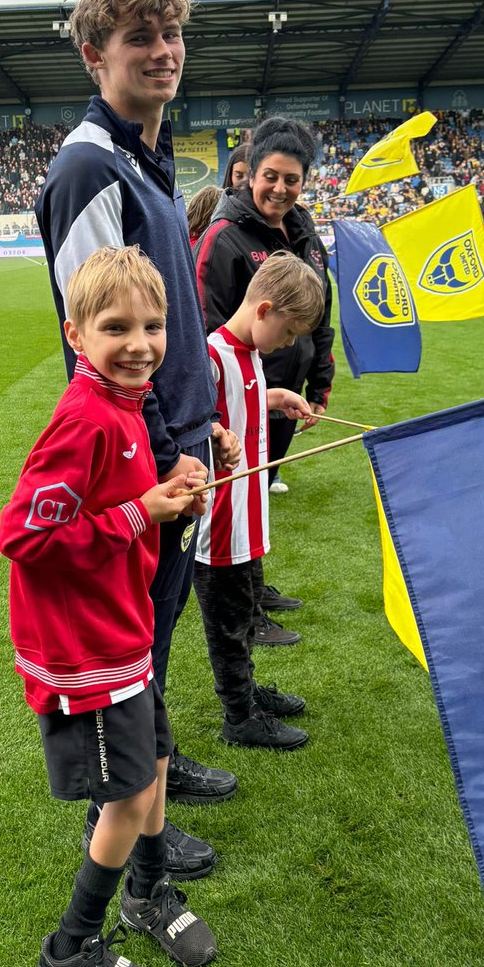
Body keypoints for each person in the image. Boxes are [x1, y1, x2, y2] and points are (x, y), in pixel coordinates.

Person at [34, 0, 240, 858]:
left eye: (171, 34)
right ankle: (117, 819)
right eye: (139, 39)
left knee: (157, 627)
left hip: (177, 442)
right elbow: (104, 339)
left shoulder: (147, 163)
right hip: (139, 460)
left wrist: (205, 421)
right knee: (131, 637)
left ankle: (155, 763)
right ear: (95, 56)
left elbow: (168, 323)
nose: (163, 52)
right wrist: (164, 454)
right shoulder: (89, 167)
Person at [0, 247, 217, 967]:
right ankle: (70, 953)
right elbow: (24, 536)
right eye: (115, 327)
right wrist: (139, 512)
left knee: (156, 763)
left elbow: (124, 500)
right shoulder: (85, 419)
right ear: (76, 335)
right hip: (84, 648)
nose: (139, 344)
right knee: (127, 797)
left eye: (153, 326)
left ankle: (147, 895)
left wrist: (170, 493)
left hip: (123, 629)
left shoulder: (125, 405)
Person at [193, 115, 335, 627]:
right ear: (250, 174)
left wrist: (319, 383)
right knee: (231, 499)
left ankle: (253, 590)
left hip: (281, 395)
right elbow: (204, 328)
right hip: (235, 399)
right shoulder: (224, 236)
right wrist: (220, 406)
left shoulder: (307, 236)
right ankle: (241, 609)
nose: (280, 188)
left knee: (256, 494)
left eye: (291, 179)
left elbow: (322, 317)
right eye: (270, 176)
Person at [193, 252, 325, 749]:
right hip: (220, 527)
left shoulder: (249, 354)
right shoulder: (211, 356)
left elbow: (241, 403)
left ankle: (246, 691)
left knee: (247, 613)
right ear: (264, 310)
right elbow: (186, 421)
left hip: (247, 517)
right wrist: (212, 435)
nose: (289, 343)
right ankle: (239, 715)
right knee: (228, 625)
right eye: (288, 333)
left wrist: (277, 396)